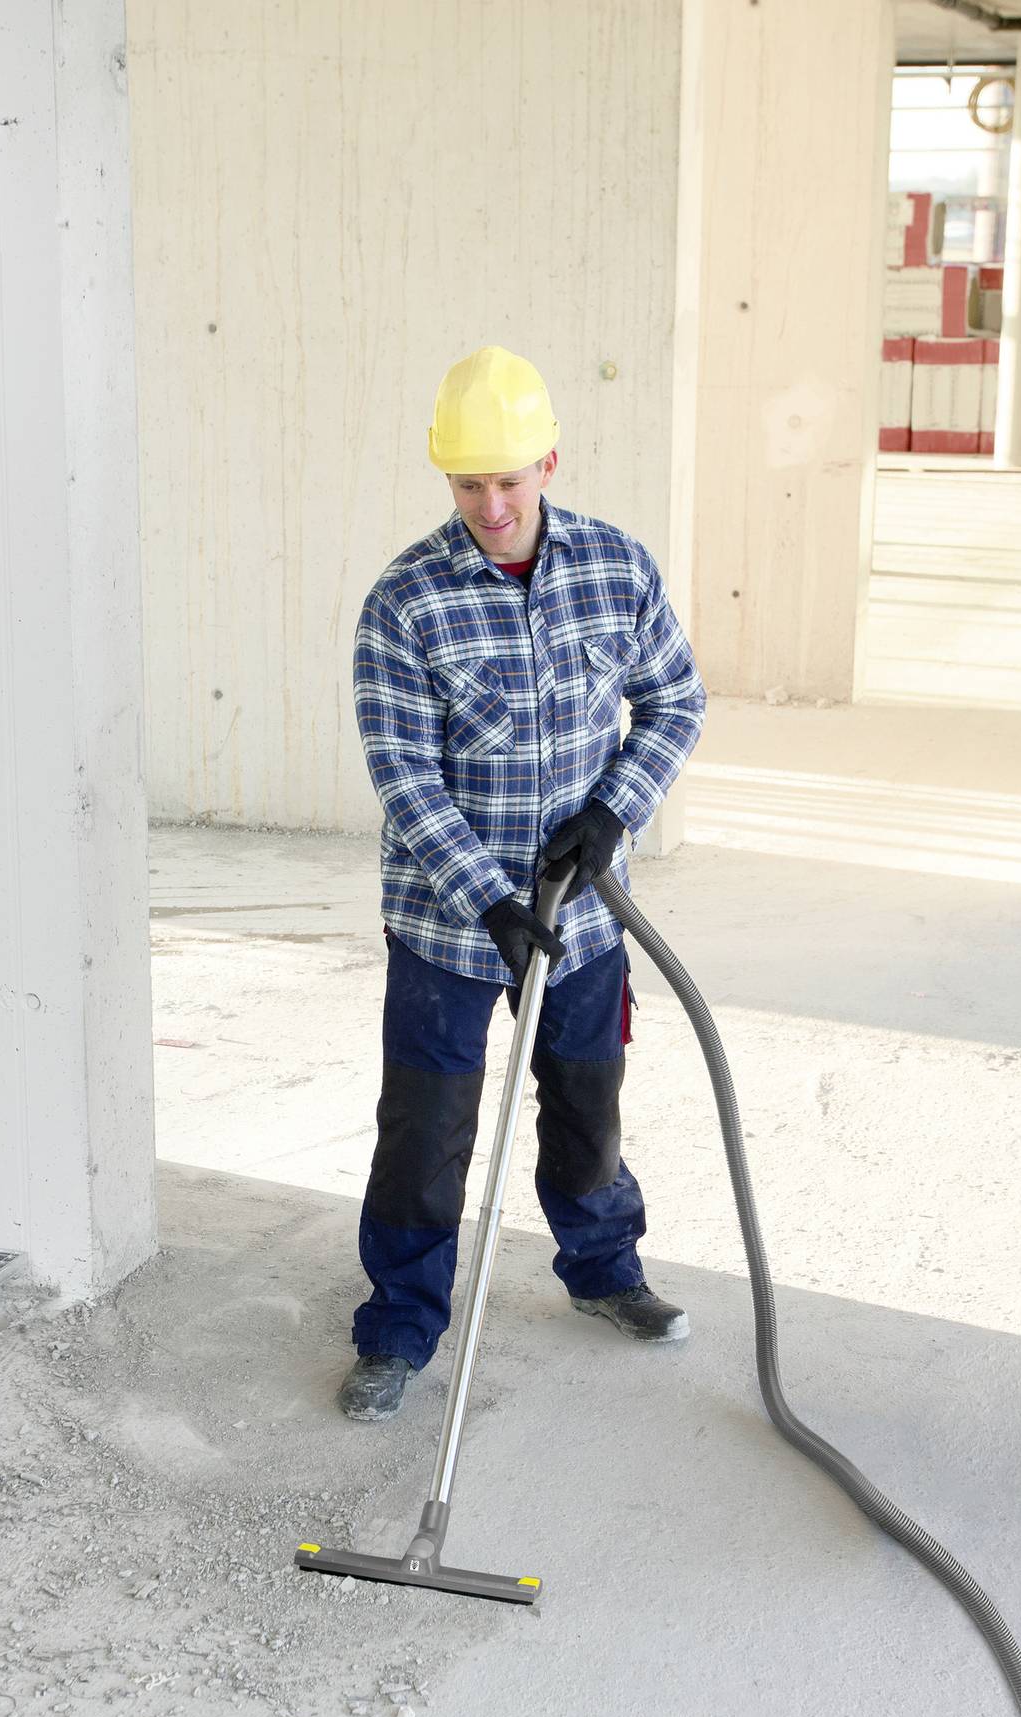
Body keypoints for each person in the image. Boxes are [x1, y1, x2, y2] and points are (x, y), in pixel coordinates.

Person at [338, 345, 709, 1423]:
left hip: (586, 919)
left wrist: (613, 810)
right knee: (427, 1130)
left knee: (587, 1104)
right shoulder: (405, 601)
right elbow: (400, 769)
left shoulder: (617, 568)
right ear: (442, 474)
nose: (492, 505)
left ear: (549, 460)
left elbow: (675, 701)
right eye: (468, 484)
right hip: (447, 926)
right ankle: (399, 1328)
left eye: (509, 479)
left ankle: (603, 1272)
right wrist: (488, 900)